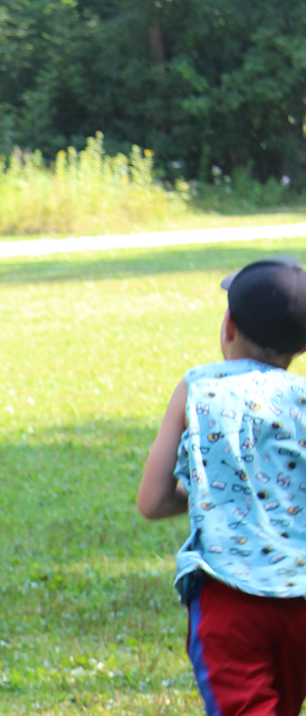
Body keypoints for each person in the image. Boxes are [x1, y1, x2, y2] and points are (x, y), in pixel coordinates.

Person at [137, 256, 306, 716]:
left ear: (228, 325)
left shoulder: (196, 387)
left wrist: (218, 494)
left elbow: (151, 501)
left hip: (229, 598)